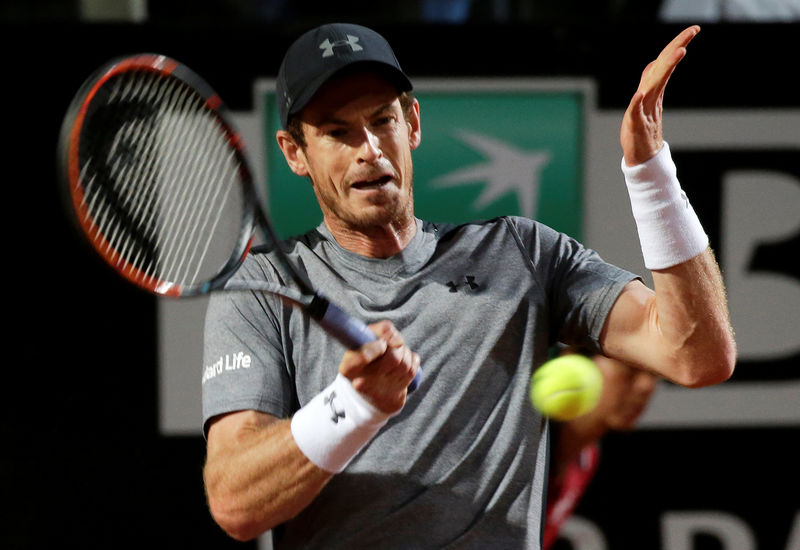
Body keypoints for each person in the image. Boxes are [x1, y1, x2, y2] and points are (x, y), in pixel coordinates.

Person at [201, 22, 736, 548]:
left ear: (411, 123)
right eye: (337, 132)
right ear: (295, 153)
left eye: (381, 120)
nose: (368, 148)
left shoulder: (523, 254)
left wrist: (650, 173)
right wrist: (350, 407)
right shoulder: (263, 289)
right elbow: (234, 504)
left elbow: (698, 354)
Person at [542, 347, 659, 549]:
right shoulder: (518, 453)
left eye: (654, 373)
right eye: (630, 368)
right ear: (570, 360)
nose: (646, 386)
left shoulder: (587, 456)